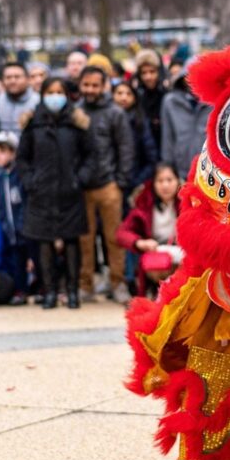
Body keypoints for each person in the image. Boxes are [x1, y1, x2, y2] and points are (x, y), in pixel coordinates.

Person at [18, 77, 95, 309]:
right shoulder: (32, 123)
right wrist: (30, 181)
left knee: (72, 241)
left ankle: (72, 292)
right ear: (42, 95)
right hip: (41, 192)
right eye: (50, 92)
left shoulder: (76, 122)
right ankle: (49, 291)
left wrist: (79, 178)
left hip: (69, 192)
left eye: (59, 91)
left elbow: (90, 155)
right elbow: (22, 158)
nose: (55, 96)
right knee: (44, 242)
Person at [77, 65, 135, 304]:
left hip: (109, 185)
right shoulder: (76, 112)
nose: (90, 89)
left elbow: (125, 148)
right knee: (84, 238)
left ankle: (117, 282)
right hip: (82, 187)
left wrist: (120, 181)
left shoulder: (115, 113)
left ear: (104, 86)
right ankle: (86, 284)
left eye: (95, 85)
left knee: (114, 237)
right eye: (86, 85)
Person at [115, 163, 182, 298]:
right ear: (153, 183)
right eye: (160, 181)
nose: (165, 185)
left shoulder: (188, 202)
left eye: (169, 180)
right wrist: (139, 243)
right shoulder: (144, 204)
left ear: (178, 181)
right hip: (155, 256)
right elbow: (121, 234)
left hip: (181, 256)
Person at [0, 131, 29, 303]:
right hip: (10, 230)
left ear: (14, 153)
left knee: (33, 258)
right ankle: (20, 290)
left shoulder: (20, 174)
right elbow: (1, 205)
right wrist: (5, 225)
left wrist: (23, 225)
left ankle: (41, 287)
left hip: (25, 228)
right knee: (16, 261)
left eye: (3, 151)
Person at [160, 66, 210, 182]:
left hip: (209, 172)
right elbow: (167, 137)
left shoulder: (214, 102)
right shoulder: (170, 102)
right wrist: (169, 167)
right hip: (180, 171)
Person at [112, 81, 159, 192]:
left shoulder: (141, 122)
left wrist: (136, 181)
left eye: (128, 94)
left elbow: (151, 158)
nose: (124, 97)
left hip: (133, 181)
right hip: (108, 183)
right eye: (119, 93)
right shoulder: (105, 119)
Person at [0, 62, 39, 136]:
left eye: (17, 77)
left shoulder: (37, 101)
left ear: (27, 79)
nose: (13, 81)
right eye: (8, 77)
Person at [134, 48, 166, 148]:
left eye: (152, 72)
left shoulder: (166, 94)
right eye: (144, 73)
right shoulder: (137, 95)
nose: (148, 77)